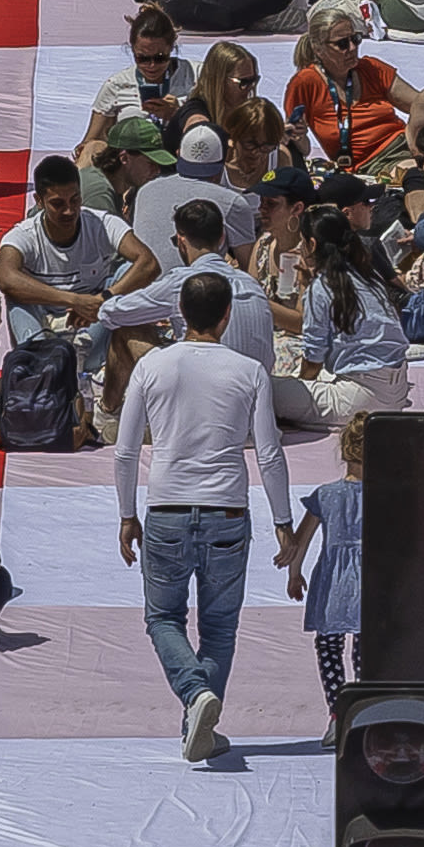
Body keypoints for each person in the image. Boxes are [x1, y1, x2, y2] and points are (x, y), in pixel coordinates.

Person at [112, 270, 286, 762]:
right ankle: (201, 713)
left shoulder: (152, 366)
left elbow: (126, 453)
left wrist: (126, 514)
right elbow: (269, 454)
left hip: (166, 508)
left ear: (178, 314)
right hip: (228, 510)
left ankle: (194, 698)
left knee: (163, 618)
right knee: (220, 628)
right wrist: (283, 521)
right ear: (227, 315)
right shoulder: (249, 370)